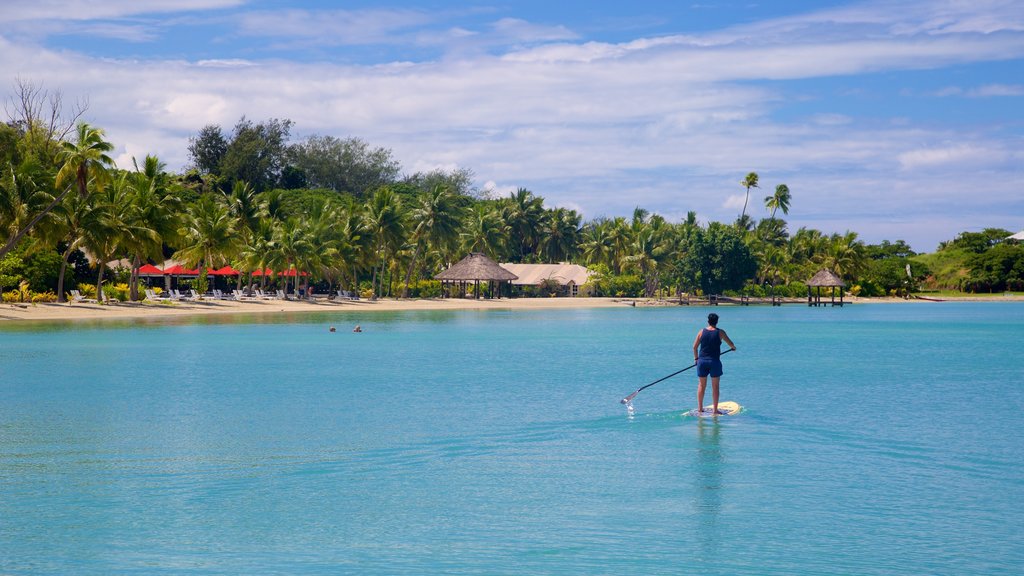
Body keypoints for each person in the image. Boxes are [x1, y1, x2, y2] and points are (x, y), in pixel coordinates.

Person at [692, 312, 736, 415]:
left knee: (701, 385)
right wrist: (733, 348)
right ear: (717, 322)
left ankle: (700, 409)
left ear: (708, 321)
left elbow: (694, 347)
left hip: (702, 362)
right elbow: (731, 344)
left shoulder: (701, 332)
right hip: (714, 362)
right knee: (715, 386)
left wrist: (696, 359)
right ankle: (715, 411)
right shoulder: (720, 332)